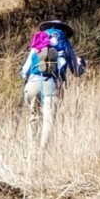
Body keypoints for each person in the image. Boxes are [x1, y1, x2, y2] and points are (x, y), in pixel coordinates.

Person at [21, 19, 85, 152]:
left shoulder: (38, 42)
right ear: (63, 31)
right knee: (48, 120)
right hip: (52, 84)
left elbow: (24, 71)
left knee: (34, 118)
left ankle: (32, 151)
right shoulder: (65, 43)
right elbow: (76, 71)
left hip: (32, 84)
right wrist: (81, 63)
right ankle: (42, 153)